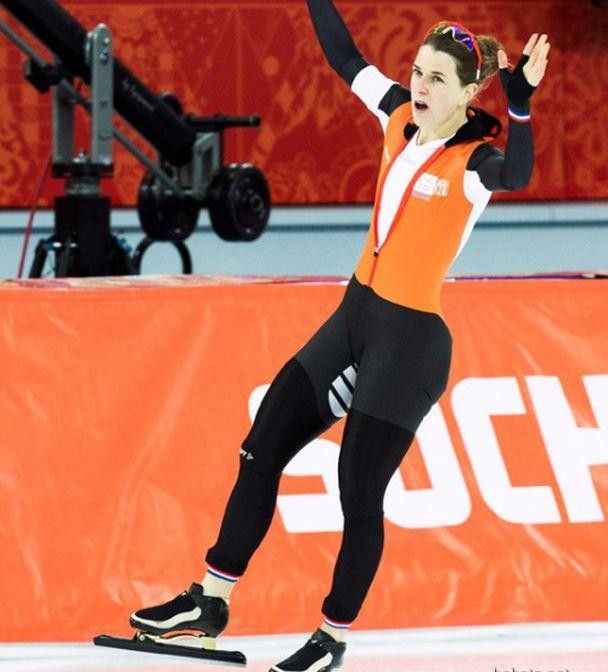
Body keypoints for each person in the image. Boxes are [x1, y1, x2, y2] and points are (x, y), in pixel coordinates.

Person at [129, 2, 550, 671]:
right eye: (418, 71)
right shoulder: (398, 115)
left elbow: (519, 176)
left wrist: (521, 105)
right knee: (261, 445)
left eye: (438, 79)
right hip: (354, 318)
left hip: (410, 345)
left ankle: (330, 639)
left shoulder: (476, 162)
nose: (420, 85)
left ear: (469, 93)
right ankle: (209, 601)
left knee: (357, 490)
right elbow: (345, 57)